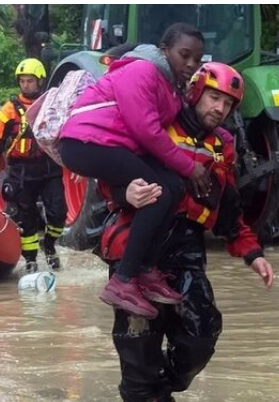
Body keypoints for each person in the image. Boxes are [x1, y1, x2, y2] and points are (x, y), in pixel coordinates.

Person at [99, 63, 274, 402]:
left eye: (227, 105)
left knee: (202, 334)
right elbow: (107, 173)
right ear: (195, 92)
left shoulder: (223, 147)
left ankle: (163, 391)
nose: (219, 109)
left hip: (185, 249)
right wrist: (123, 191)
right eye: (214, 98)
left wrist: (251, 253)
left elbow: (229, 210)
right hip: (138, 245)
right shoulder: (156, 126)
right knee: (138, 351)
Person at [59, 23, 211, 320]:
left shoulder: (170, 86)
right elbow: (148, 131)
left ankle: (145, 269)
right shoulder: (141, 71)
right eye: (185, 55)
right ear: (164, 51)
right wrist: (190, 167)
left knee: (173, 187)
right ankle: (123, 280)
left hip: (114, 145)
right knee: (158, 191)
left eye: (197, 59)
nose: (191, 64)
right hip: (86, 143)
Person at [0, 58, 66, 274]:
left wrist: (77, 166)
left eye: (30, 81)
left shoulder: (51, 104)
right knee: (26, 218)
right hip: (21, 171)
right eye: (22, 81)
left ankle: (49, 244)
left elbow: (65, 133)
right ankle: (30, 261)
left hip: (49, 168)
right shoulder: (9, 110)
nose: (26, 85)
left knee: (58, 212)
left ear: (40, 81)